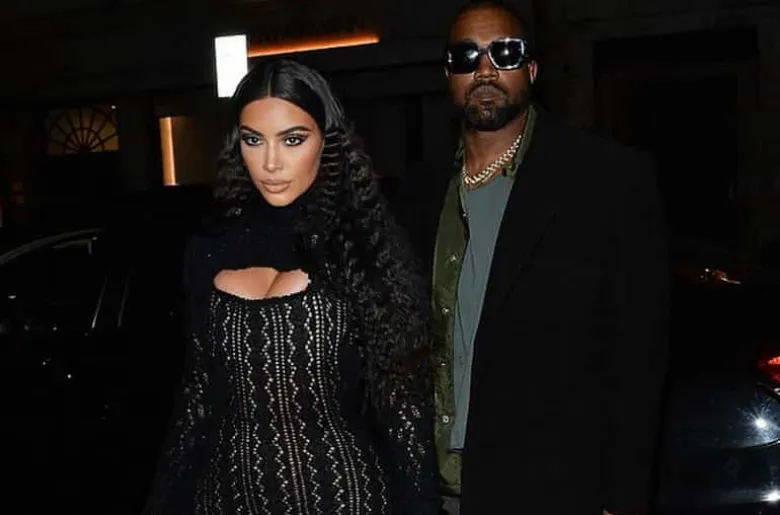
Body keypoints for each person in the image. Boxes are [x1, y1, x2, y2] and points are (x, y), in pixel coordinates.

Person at [392, 1, 669, 514]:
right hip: (433, 490)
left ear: (532, 70)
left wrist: (623, 499)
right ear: (448, 75)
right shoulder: (417, 193)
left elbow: (638, 355)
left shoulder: (606, 178)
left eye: (505, 53)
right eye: (466, 56)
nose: (485, 69)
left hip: (554, 489)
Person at [143, 59, 440, 514]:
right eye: (253, 140)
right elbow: (197, 400)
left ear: (328, 142)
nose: (270, 163)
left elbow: (403, 411)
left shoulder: (365, 246)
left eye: (292, 139)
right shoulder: (208, 250)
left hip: (348, 500)